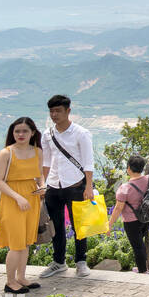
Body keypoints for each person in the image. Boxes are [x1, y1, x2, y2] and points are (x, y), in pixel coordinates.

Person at [38, 94, 94, 280]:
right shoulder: (48, 134)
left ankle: (81, 262)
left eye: (58, 111)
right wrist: (42, 185)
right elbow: (46, 161)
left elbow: (88, 162)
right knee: (56, 226)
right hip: (54, 185)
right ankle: (59, 262)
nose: (54, 115)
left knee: (80, 226)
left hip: (76, 184)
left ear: (68, 111)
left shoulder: (81, 133)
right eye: (52, 111)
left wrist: (89, 187)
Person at [0, 116, 46, 294]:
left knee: (26, 241)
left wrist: (43, 186)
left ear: (32, 133)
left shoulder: (38, 152)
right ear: (12, 133)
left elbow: (39, 175)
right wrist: (18, 198)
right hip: (12, 199)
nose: (21, 134)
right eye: (17, 131)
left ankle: (21, 277)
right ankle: (10, 282)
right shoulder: (6, 153)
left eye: (25, 131)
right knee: (16, 243)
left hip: (32, 199)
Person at [107, 155, 149, 274]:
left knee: (137, 246)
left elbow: (118, 208)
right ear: (142, 168)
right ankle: (143, 267)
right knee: (140, 244)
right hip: (148, 217)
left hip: (132, 222)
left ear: (128, 168)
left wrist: (110, 224)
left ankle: (143, 271)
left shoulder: (124, 188)